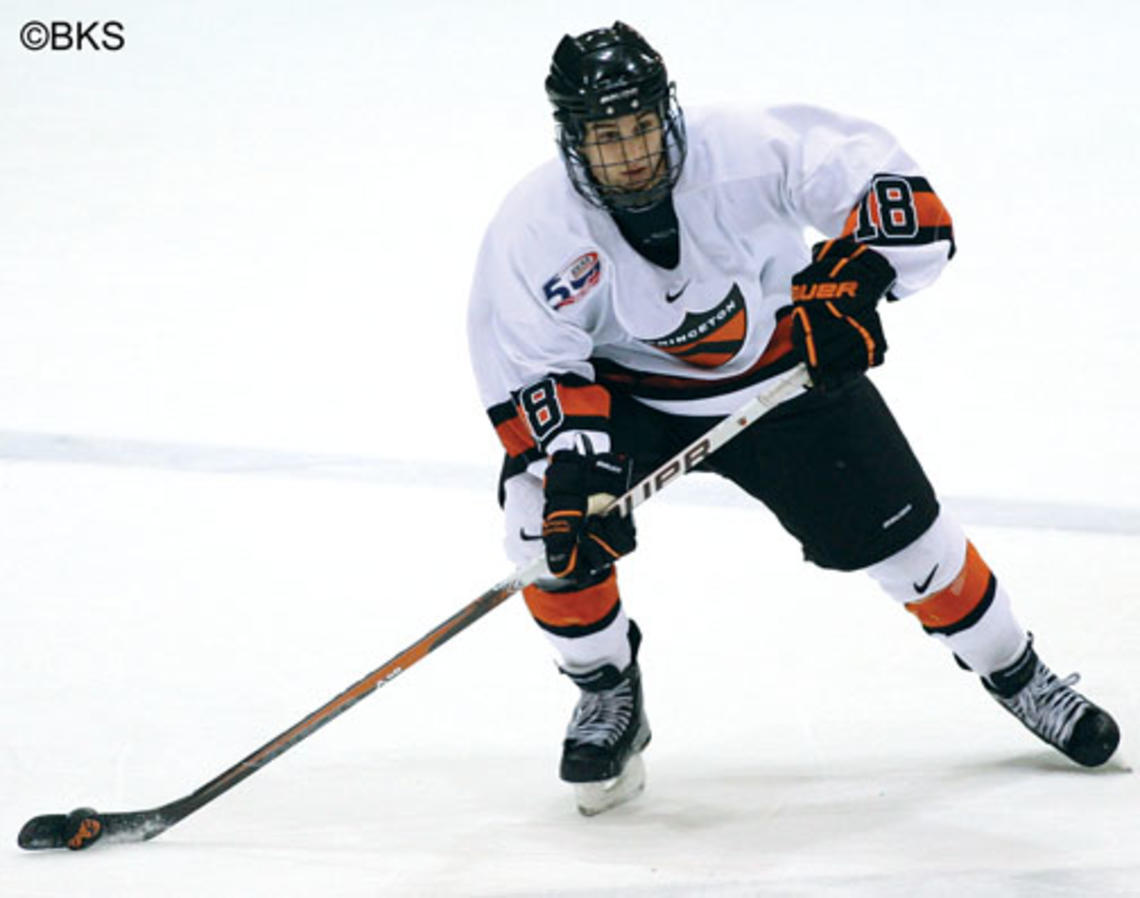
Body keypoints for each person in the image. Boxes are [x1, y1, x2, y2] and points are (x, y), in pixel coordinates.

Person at [466, 21, 1119, 815]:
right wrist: (575, 469)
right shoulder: (536, 227)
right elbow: (533, 364)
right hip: (630, 399)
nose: (634, 151)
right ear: (574, 141)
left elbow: (891, 197)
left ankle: (1017, 672)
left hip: (785, 376)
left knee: (914, 547)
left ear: (667, 113)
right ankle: (607, 694)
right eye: (609, 136)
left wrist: (858, 277)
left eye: (643, 126)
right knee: (545, 523)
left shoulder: (746, 147)